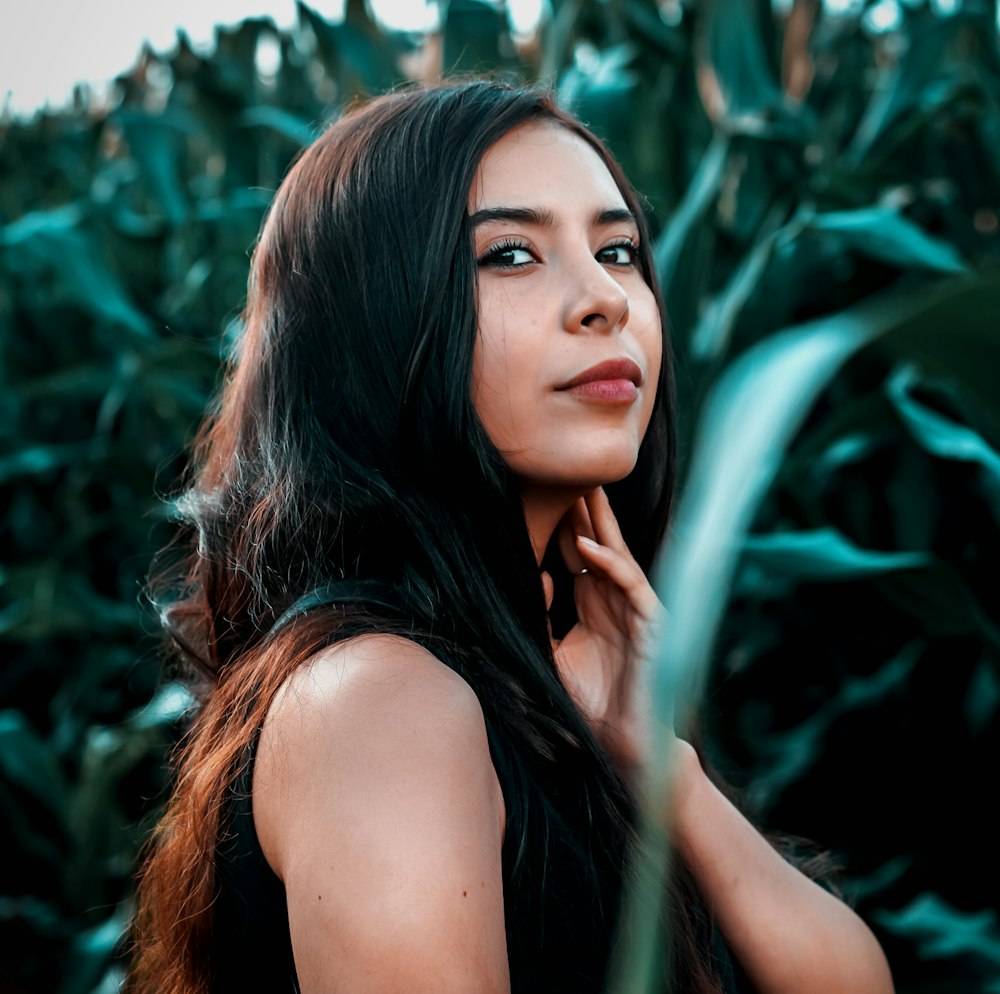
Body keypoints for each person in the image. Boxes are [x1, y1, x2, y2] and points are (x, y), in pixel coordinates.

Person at [128, 79, 894, 994]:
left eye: (618, 249)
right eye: (511, 254)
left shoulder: (523, 692)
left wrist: (658, 758)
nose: (604, 298)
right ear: (376, 319)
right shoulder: (382, 700)